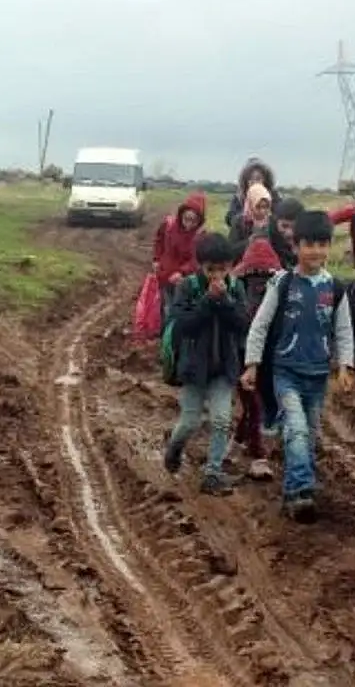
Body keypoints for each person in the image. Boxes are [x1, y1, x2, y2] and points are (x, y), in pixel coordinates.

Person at [242, 211, 355, 522]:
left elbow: (344, 330)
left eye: (322, 244)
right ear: (295, 246)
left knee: (310, 433)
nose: (316, 251)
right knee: (296, 430)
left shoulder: (335, 288)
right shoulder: (282, 283)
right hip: (285, 371)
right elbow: (261, 325)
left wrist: (345, 366)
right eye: (309, 244)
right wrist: (252, 364)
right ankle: (301, 491)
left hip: (317, 375)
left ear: (329, 246)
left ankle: (295, 488)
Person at [162, 233, 250, 496]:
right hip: (193, 369)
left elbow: (243, 323)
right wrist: (208, 301)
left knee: (222, 419)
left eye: (223, 269)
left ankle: (213, 472)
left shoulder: (236, 288)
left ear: (231, 266)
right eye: (211, 269)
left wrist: (223, 302)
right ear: (201, 265)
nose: (217, 275)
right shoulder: (187, 287)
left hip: (223, 368)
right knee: (190, 421)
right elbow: (182, 325)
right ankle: (175, 446)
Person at [231, 218, 283, 481]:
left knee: (256, 403)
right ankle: (259, 455)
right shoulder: (240, 290)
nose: (259, 283)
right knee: (255, 404)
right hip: (247, 354)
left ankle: (239, 442)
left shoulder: (277, 289)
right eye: (255, 277)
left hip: (263, 355)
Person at [153, 191, 207, 321]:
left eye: (194, 221)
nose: (189, 224)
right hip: (165, 274)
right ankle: (165, 334)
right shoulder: (169, 225)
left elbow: (196, 259)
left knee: (177, 308)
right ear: (181, 215)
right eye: (187, 219)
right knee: (165, 307)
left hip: (183, 280)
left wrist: (182, 272)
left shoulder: (200, 236)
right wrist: (156, 259)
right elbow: (159, 241)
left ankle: (174, 334)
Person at [224, 158, 281, 231]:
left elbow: (281, 216)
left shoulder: (273, 195)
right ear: (245, 181)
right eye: (251, 179)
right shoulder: (239, 197)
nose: (254, 182)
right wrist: (245, 217)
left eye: (258, 178)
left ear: (265, 179)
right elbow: (229, 218)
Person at [229, 182, 274, 246]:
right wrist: (249, 242)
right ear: (250, 205)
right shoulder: (240, 222)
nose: (262, 211)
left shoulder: (272, 222)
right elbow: (231, 249)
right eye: (258, 207)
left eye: (266, 207)